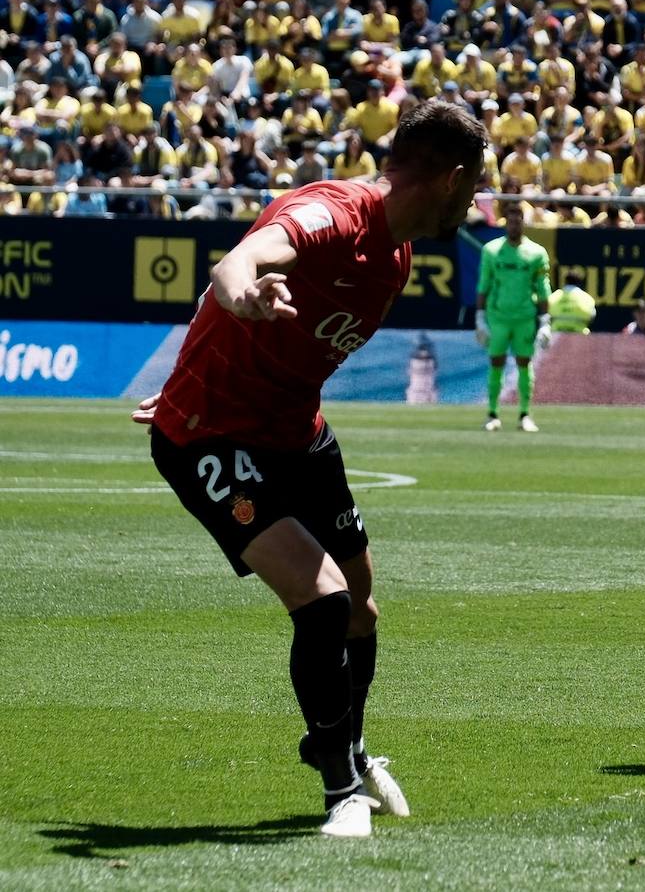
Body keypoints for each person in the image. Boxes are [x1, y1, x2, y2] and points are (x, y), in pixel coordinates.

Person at [130, 99, 488, 838]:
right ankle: (341, 788)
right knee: (322, 600)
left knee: (359, 607)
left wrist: (211, 342)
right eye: (475, 185)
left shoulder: (397, 254)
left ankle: (346, 741)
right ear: (451, 178)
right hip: (210, 436)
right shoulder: (333, 215)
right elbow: (240, 262)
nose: (476, 201)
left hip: (297, 433)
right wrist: (247, 298)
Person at [475, 200, 552, 433]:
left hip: (524, 318)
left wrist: (545, 321)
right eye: (510, 221)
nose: (514, 225)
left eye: (518, 221)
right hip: (498, 317)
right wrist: (479, 318)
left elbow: (543, 288)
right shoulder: (491, 250)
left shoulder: (536, 253)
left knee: (524, 364)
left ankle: (524, 414)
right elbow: (483, 284)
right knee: (496, 363)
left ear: (523, 223)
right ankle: (492, 413)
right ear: (505, 223)